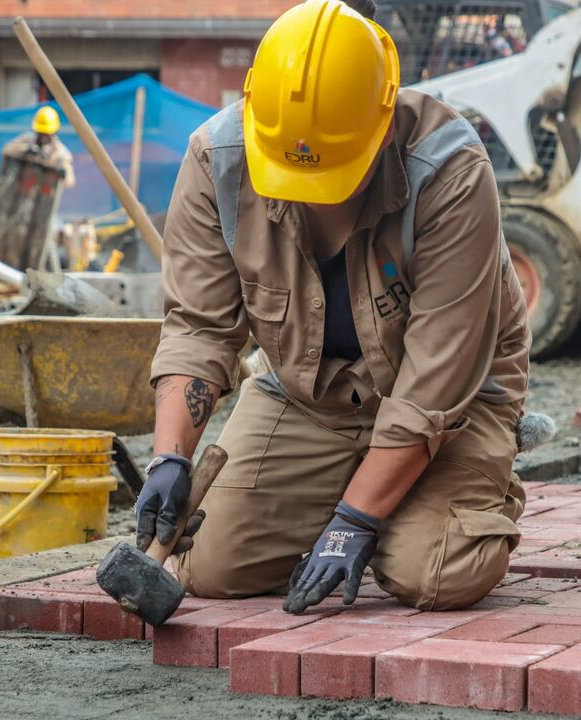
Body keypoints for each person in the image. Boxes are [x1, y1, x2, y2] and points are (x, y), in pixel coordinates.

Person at [136, 0, 530, 614]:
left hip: (454, 401)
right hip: (305, 394)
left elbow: (436, 380)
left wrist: (355, 519)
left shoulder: (449, 168)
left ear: (383, 119)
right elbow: (199, 328)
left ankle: (456, 489)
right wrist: (169, 456)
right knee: (212, 565)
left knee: (434, 572)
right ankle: (362, 491)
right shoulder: (217, 160)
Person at [2, 106, 76, 188]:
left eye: (47, 133)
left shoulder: (60, 153)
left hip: (43, 196)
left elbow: (69, 181)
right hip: (19, 191)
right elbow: (6, 150)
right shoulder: (26, 140)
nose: (43, 137)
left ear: (55, 131)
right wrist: (25, 150)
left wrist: (61, 173)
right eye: (41, 133)